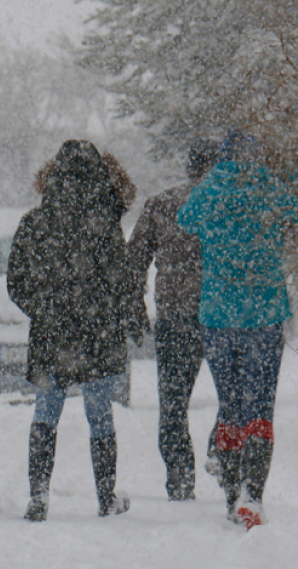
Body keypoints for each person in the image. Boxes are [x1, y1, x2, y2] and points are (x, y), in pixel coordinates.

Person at [177, 130, 298, 529]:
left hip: (218, 316)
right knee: (259, 408)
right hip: (264, 314)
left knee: (231, 407)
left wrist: (213, 184)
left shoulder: (210, 189)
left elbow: (184, 220)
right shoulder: (269, 186)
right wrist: (286, 174)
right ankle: (252, 496)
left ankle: (228, 496)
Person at [7, 139, 137, 522]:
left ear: (53, 174)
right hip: (98, 334)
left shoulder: (36, 222)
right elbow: (121, 280)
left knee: (46, 413)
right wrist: (112, 313)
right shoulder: (106, 223)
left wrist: (46, 310)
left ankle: (39, 495)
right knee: (100, 417)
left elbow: (16, 281)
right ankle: (105, 496)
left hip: (52, 335)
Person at [126, 139, 219, 501]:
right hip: (221, 317)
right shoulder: (228, 206)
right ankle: (220, 450)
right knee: (235, 397)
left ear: (188, 167)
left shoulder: (162, 204)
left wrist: (135, 309)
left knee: (173, 404)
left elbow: (134, 263)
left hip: (175, 317)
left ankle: (180, 479)